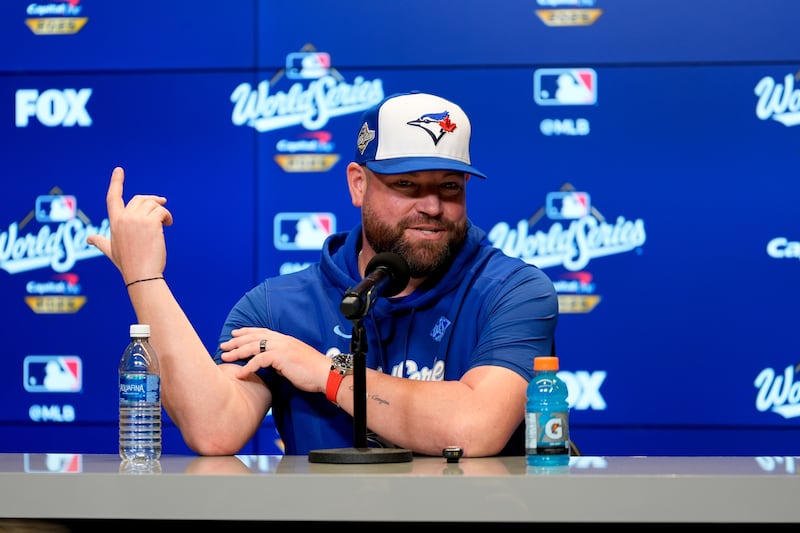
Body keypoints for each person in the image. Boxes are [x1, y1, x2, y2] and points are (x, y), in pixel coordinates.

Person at [87, 91, 558, 457]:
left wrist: (325, 372)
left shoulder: (512, 290)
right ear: (358, 184)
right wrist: (145, 279)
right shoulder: (278, 306)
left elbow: (474, 426)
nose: (432, 206)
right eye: (406, 184)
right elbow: (215, 428)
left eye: (450, 187)